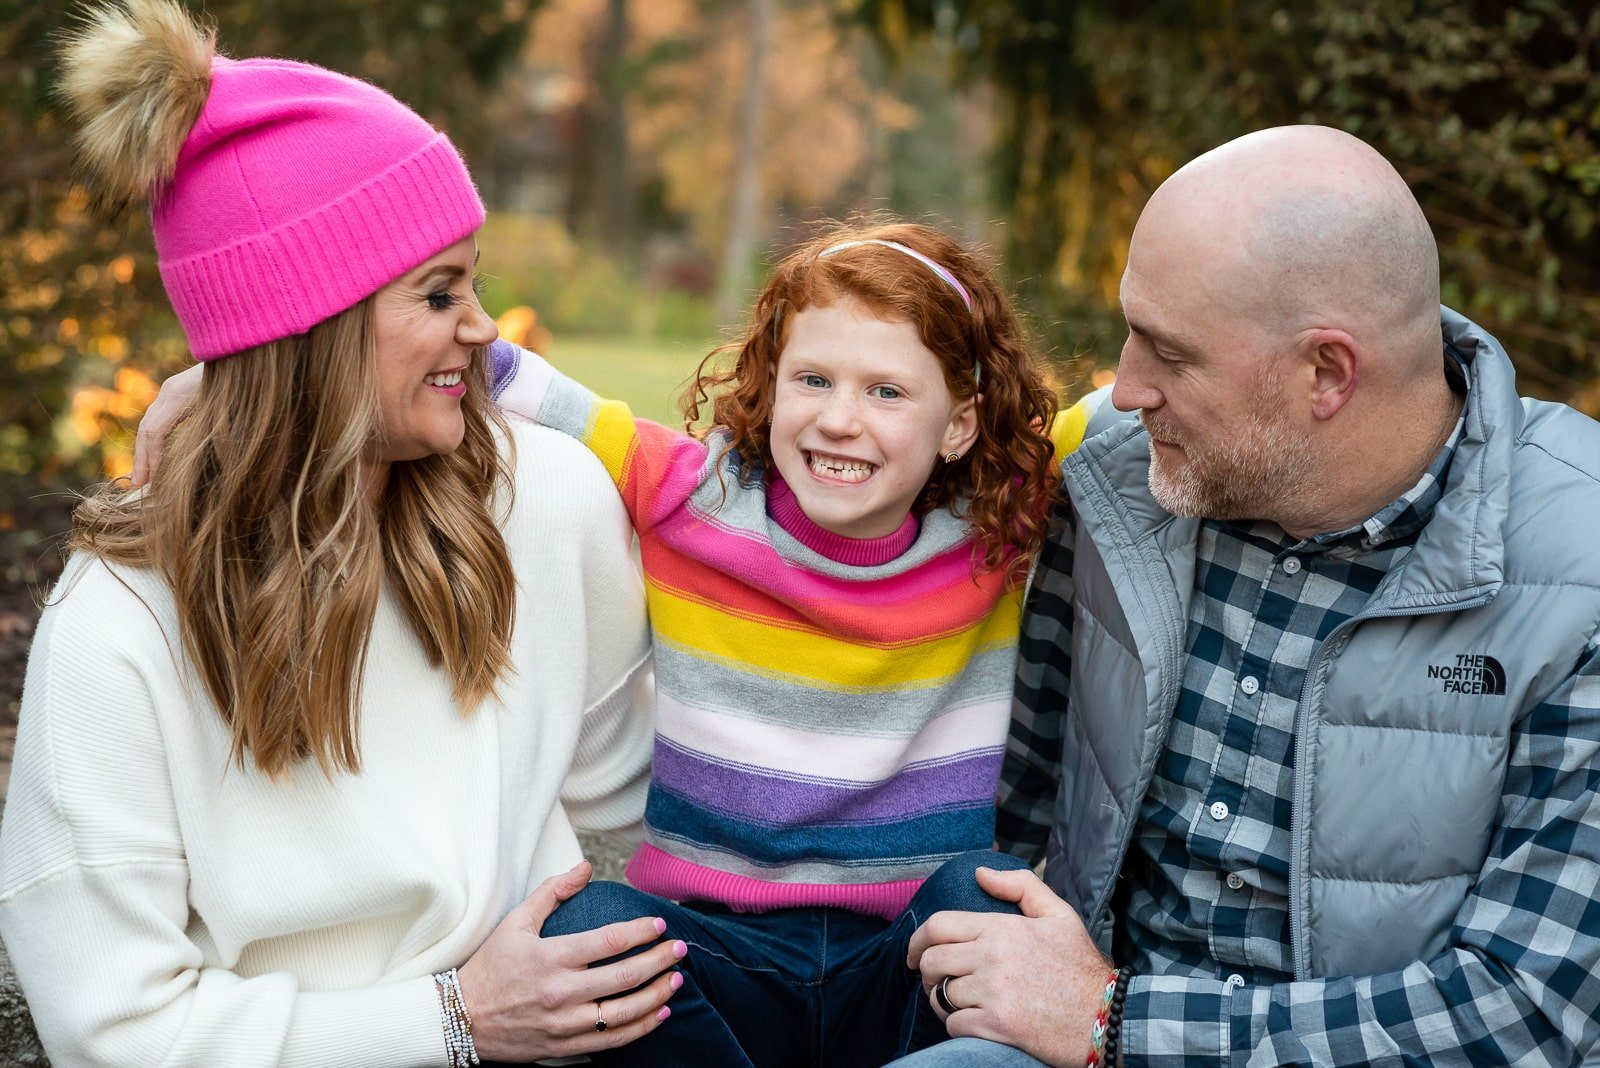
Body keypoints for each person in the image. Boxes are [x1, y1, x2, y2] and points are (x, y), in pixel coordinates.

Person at [0, 2, 684, 1065]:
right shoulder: (119, 625)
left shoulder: (543, 504)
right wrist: (453, 1020)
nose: (484, 326)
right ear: (310, 326)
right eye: (439, 291)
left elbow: (659, 787)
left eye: (476, 281)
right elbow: (111, 1030)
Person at [896, 125, 1600, 1066]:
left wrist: (1114, 1023)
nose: (1127, 385)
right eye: (1130, 330)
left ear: (1326, 373)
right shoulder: (1116, 474)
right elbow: (1016, 809)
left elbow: (1528, 1014)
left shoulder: (1578, 576)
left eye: (1169, 354)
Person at [482, 222, 1097, 1065]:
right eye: (812, 379)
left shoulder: (995, 525)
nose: (840, 419)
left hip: (903, 959)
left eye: (887, 392)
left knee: (988, 897)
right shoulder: (690, 499)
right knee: (589, 929)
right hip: (718, 951)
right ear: (772, 387)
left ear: (959, 425)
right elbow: (555, 400)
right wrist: (454, 331)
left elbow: (1116, 415)